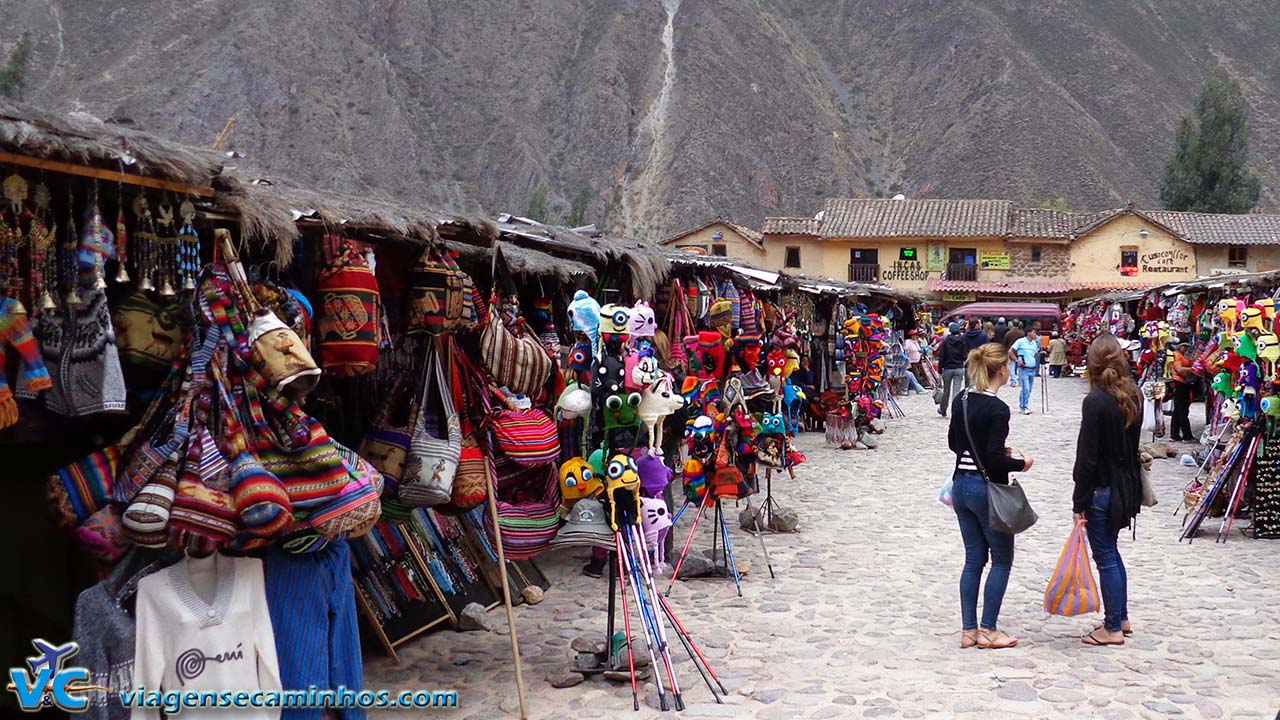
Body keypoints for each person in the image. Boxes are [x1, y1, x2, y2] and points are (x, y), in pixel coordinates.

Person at [948, 343, 1032, 649]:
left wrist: (983, 452)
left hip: (961, 485)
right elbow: (997, 461)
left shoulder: (963, 399)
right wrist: (1022, 464)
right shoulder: (998, 408)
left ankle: (968, 630)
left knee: (973, 560)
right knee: (1001, 560)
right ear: (1001, 370)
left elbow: (954, 444)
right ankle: (989, 630)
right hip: (987, 491)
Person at [1073, 334, 1142, 647]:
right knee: (1112, 553)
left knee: (1106, 557)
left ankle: (1112, 626)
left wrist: (1079, 501)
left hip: (1102, 489)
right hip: (1125, 487)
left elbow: (1086, 457)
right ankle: (1121, 615)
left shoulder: (1096, 401)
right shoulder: (1133, 396)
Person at [938, 322, 967, 417]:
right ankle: (955, 410)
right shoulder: (962, 340)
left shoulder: (945, 341)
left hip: (947, 368)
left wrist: (939, 370)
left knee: (946, 390)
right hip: (958, 368)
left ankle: (943, 409)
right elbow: (964, 356)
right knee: (956, 390)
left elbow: (941, 356)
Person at [1169, 341, 1195, 442]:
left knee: (1177, 410)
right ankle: (1186, 435)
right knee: (1182, 410)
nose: (1186, 348)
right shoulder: (1177, 355)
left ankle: (1174, 434)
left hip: (1180, 383)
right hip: (1179, 383)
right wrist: (1193, 369)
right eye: (1184, 346)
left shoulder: (1180, 355)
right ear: (1179, 347)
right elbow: (1180, 369)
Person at [1010, 329, 1040, 414]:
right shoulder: (1020, 341)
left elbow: (1035, 354)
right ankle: (1024, 407)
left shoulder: (1034, 343)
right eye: (1034, 332)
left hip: (1032, 369)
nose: (1035, 334)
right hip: (1023, 369)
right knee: (1025, 388)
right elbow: (1010, 351)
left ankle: (1024, 405)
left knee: (1029, 389)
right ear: (1028, 333)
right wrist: (1016, 360)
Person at [1003, 322, 1024, 387]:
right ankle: (1020, 381)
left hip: (1011, 351)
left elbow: (1005, 342)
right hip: (1020, 351)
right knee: (1020, 367)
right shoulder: (1022, 333)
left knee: (1012, 366)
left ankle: (1013, 381)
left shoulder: (1008, 333)